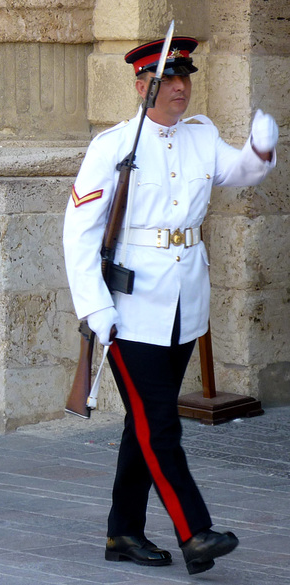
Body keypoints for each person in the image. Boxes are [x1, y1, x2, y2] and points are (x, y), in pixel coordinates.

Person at [63, 36, 277, 574]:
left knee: (145, 420)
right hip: (131, 305)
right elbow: (78, 232)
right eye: (169, 80)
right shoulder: (113, 147)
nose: (180, 87)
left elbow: (241, 172)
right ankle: (194, 531)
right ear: (142, 87)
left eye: (186, 79)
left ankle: (122, 533)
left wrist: (260, 150)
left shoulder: (201, 136)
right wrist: (94, 308)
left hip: (184, 300)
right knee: (159, 422)